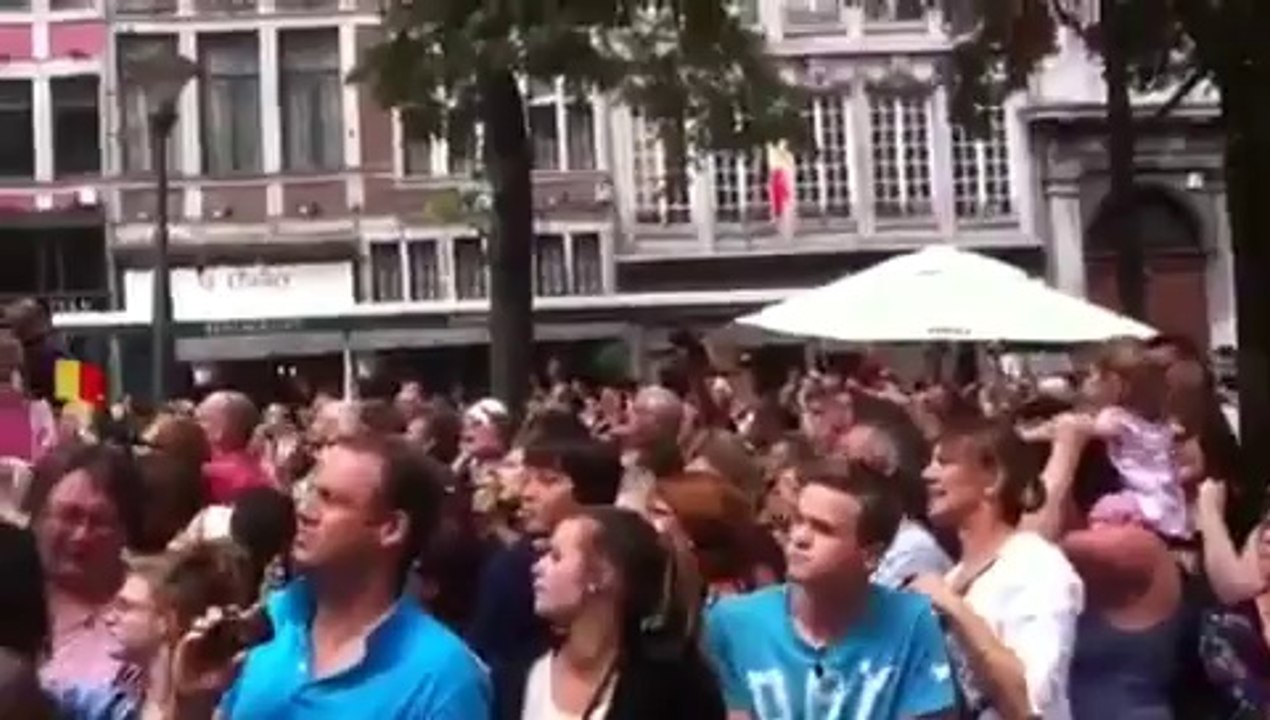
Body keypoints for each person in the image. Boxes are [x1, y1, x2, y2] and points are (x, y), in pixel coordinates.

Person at [172, 434, 490, 719]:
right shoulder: (268, 625)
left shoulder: (442, 676)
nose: (305, 511)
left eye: (330, 499)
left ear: (391, 528)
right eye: (309, 492)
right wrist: (193, 705)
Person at [704, 460, 956, 719]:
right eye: (798, 520)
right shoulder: (733, 622)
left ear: (871, 555)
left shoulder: (912, 622)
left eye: (823, 529)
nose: (799, 538)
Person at [911, 417, 1083, 720]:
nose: (927, 474)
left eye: (944, 462)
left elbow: (1030, 701)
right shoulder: (951, 579)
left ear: (993, 478)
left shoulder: (1036, 566)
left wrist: (955, 608)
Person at [495, 507, 725, 719]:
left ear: (602, 576)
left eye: (556, 556)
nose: (538, 567)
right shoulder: (519, 671)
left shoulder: (677, 687)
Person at [469, 433, 623, 673]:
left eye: (548, 481)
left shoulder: (624, 563)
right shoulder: (513, 564)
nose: (527, 493)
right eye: (527, 479)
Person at [52, 542, 258, 719]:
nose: (109, 617)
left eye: (125, 607)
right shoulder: (115, 704)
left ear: (167, 620)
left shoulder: (212, 705)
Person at [27, 442, 143, 687]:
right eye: (69, 515)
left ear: (125, 531)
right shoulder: (11, 589)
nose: (81, 535)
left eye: (100, 521)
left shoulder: (143, 618)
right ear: (38, 517)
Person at [1086, 339, 1186, 539]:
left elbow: (1090, 430)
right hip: (1170, 507)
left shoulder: (1114, 417)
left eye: (1093, 375)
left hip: (1137, 503)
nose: (1088, 382)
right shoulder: (1161, 423)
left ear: (1114, 383)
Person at [195, 391, 268, 505]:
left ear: (220, 430)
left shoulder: (211, 473)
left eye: (202, 419)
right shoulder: (264, 468)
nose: (194, 426)